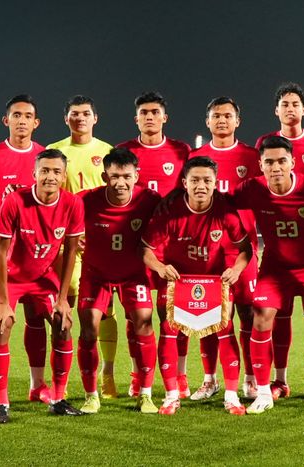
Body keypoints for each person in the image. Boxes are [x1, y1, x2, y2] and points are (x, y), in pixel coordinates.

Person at [230, 136, 304, 415]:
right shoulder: (252, 188)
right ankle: (262, 392)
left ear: (293, 162)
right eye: (269, 162)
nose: (276, 167)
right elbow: (218, 201)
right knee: (260, 318)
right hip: (275, 267)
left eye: (282, 161)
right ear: (260, 165)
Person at [142, 156, 253, 415]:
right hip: (178, 281)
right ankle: (171, 396)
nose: (201, 185)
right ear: (184, 183)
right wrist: (159, 267)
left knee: (225, 331)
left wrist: (236, 269)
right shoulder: (170, 209)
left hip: (214, 280)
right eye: (195, 180)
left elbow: (245, 248)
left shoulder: (225, 209)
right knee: (169, 331)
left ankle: (231, 396)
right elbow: (145, 248)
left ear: (215, 183)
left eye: (207, 180)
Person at [0, 149, 85, 423]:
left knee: (63, 322)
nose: (50, 176)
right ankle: (1, 404)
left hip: (43, 278)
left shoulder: (73, 204)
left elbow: (70, 251)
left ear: (63, 176)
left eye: (56, 172)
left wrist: (63, 298)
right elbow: (1, 253)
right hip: (11, 278)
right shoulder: (15, 201)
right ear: (34, 174)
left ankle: (58, 398)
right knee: (1, 325)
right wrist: (3, 301)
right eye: (45, 171)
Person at [0, 94, 51, 410]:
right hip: (0, 254)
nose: (22, 120)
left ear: (36, 122)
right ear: (6, 120)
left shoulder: (45, 157)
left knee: (36, 319)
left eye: (28, 115)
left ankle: (37, 385)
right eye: (16, 115)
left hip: (36, 256)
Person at [117, 91, 192, 398]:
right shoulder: (123, 151)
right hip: (133, 248)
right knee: (137, 316)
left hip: (172, 248)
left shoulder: (181, 151)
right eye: (144, 112)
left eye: (155, 111)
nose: (149, 116)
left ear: (165, 117)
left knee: (177, 317)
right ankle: (138, 374)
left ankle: (181, 376)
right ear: (136, 118)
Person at [75, 148, 161, 414]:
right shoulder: (85, 200)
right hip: (96, 274)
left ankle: (145, 394)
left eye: (126, 176)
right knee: (89, 330)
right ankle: (91, 395)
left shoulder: (150, 199)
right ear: (104, 176)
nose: (120, 183)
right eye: (114, 177)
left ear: (137, 176)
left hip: (133, 275)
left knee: (144, 325)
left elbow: (173, 222)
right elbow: (57, 213)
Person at [47, 95, 120, 399]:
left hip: (99, 244)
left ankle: (108, 373)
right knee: (61, 312)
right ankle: (59, 383)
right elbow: (51, 202)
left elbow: (115, 198)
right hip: (65, 246)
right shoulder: (56, 152)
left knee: (103, 312)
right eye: (74, 114)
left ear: (95, 118)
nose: (80, 118)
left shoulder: (107, 152)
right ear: (67, 119)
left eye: (86, 113)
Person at [188, 97, 261, 400]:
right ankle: (209, 379)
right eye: (216, 116)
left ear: (237, 121)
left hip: (244, 248)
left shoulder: (252, 156)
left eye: (227, 116)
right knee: (207, 315)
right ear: (207, 122)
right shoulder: (196, 157)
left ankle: (251, 377)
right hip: (207, 249)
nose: (221, 120)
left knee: (248, 313)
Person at [255, 82, 304, 401]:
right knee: (277, 315)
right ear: (277, 110)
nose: (290, 109)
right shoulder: (265, 144)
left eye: (295, 103)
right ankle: (279, 380)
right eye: (284, 104)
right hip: (278, 251)